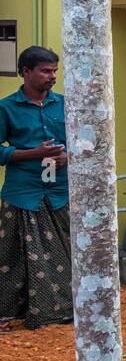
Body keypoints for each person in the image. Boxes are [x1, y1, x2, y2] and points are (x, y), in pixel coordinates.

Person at [0, 46, 72, 329]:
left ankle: (59, 311)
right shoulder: (6, 108)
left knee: (65, 253)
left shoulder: (66, 104)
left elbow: (86, 143)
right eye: (45, 71)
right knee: (13, 257)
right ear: (26, 72)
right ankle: (8, 314)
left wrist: (69, 157)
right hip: (24, 194)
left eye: (54, 71)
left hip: (59, 192)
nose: (52, 76)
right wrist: (33, 154)